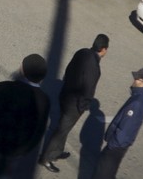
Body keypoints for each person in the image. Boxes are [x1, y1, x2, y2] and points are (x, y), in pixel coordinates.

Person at [39, 33, 109, 173]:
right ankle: (46, 158)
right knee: (61, 130)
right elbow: (88, 89)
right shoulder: (94, 66)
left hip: (65, 94)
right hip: (74, 105)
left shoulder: (82, 52)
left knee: (63, 128)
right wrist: (82, 107)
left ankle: (57, 151)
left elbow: (69, 69)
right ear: (103, 49)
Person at [92, 68, 143, 179]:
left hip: (116, 146)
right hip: (121, 145)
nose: (133, 81)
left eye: (136, 79)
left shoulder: (136, 102)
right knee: (109, 173)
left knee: (102, 173)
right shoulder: (142, 96)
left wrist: (112, 144)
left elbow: (125, 127)